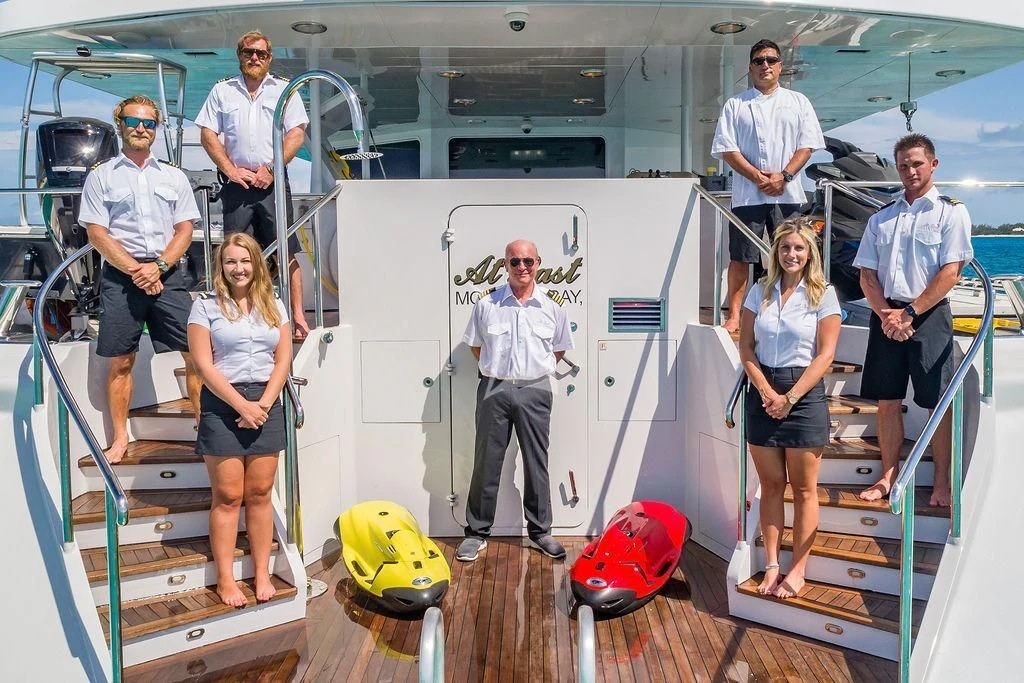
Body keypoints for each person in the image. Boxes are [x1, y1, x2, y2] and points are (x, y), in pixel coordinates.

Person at [80, 95, 202, 464]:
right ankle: (120, 438)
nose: (141, 129)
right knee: (121, 361)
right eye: (134, 121)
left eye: (149, 123)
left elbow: (184, 230)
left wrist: (160, 267)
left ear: (156, 129)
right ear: (120, 124)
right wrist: (138, 269)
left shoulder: (174, 177)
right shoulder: (101, 177)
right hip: (122, 277)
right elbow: (97, 234)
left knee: (196, 356)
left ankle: (203, 430)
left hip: (168, 275)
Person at [853, 134, 973, 507]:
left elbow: (950, 272)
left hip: (929, 315)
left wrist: (909, 313)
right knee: (886, 401)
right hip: (886, 315)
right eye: (904, 165)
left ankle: (942, 482)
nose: (910, 171)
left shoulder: (951, 212)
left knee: (936, 403)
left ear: (933, 165)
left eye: (917, 163)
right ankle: (888, 477)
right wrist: (887, 314)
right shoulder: (881, 217)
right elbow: (867, 276)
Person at [739, 218, 842, 598]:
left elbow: (826, 353)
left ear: (809, 252)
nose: (792, 254)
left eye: (799, 248)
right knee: (769, 488)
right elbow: (746, 348)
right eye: (785, 248)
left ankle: (798, 569)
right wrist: (766, 390)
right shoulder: (758, 292)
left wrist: (791, 398)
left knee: (803, 490)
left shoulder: (823, 294)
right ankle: (771, 567)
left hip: (804, 395)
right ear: (776, 253)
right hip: (763, 391)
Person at [187, 232, 292, 606]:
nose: (239, 268)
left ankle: (262, 573)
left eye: (245, 261)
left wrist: (262, 403)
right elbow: (203, 364)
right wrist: (241, 406)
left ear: (256, 264)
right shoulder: (205, 308)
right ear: (221, 266)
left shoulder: (274, 305)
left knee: (260, 494)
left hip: (266, 400)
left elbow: (282, 359)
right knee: (229, 496)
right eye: (231, 261)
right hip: (222, 402)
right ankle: (226, 580)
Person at [456, 240, 574, 562]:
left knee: (537, 462)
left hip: (535, 389)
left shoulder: (552, 308)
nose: (522, 267)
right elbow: (477, 347)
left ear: (538, 263)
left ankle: (540, 532)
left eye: (528, 261)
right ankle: (477, 532)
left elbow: (559, 348)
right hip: (494, 388)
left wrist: (532, 370)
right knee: (486, 462)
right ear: (505, 265)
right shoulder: (487, 305)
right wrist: (500, 372)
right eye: (515, 262)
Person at [195, 30, 311, 338]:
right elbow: (208, 134)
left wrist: (271, 169)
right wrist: (231, 170)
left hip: (273, 182)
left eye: (260, 53)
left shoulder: (285, 91)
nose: (254, 58)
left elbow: (296, 134)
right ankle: (237, 316)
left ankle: (297, 315)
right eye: (248, 52)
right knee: (236, 254)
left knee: (286, 250)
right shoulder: (222, 92)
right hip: (237, 185)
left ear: (269, 58)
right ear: (240, 56)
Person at [712, 38, 826, 334]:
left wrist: (784, 177)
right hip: (746, 196)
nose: (766, 65)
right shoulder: (735, 104)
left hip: (787, 194)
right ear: (750, 67)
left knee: (793, 253)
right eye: (759, 61)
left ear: (780, 66)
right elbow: (727, 149)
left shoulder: (798, 102)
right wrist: (757, 178)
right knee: (740, 258)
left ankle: (796, 310)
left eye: (771, 60)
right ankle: (735, 315)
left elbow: (808, 145)